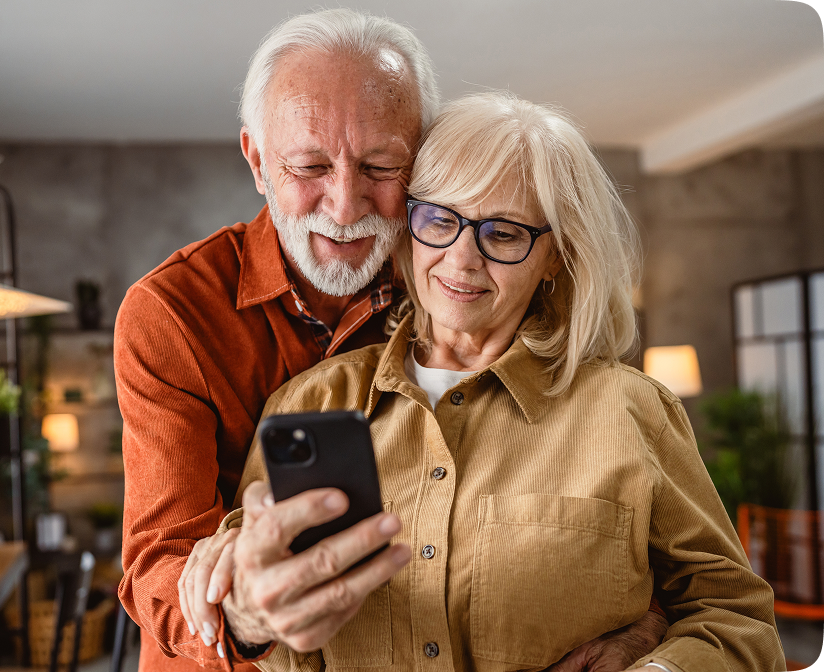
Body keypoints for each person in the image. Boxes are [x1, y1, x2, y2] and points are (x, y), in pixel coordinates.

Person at [115, 9, 667, 672]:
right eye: (309, 166)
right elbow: (158, 561)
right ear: (258, 161)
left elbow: (612, 508)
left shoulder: (455, 270)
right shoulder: (171, 312)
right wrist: (242, 615)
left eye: (380, 166)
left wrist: (647, 623)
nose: (345, 206)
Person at [214, 92, 786, 671]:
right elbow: (259, 634)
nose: (461, 261)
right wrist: (248, 612)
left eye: (504, 234)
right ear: (409, 227)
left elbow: (735, 617)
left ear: (558, 254)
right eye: (440, 219)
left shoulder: (629, 409)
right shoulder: (310, 403)